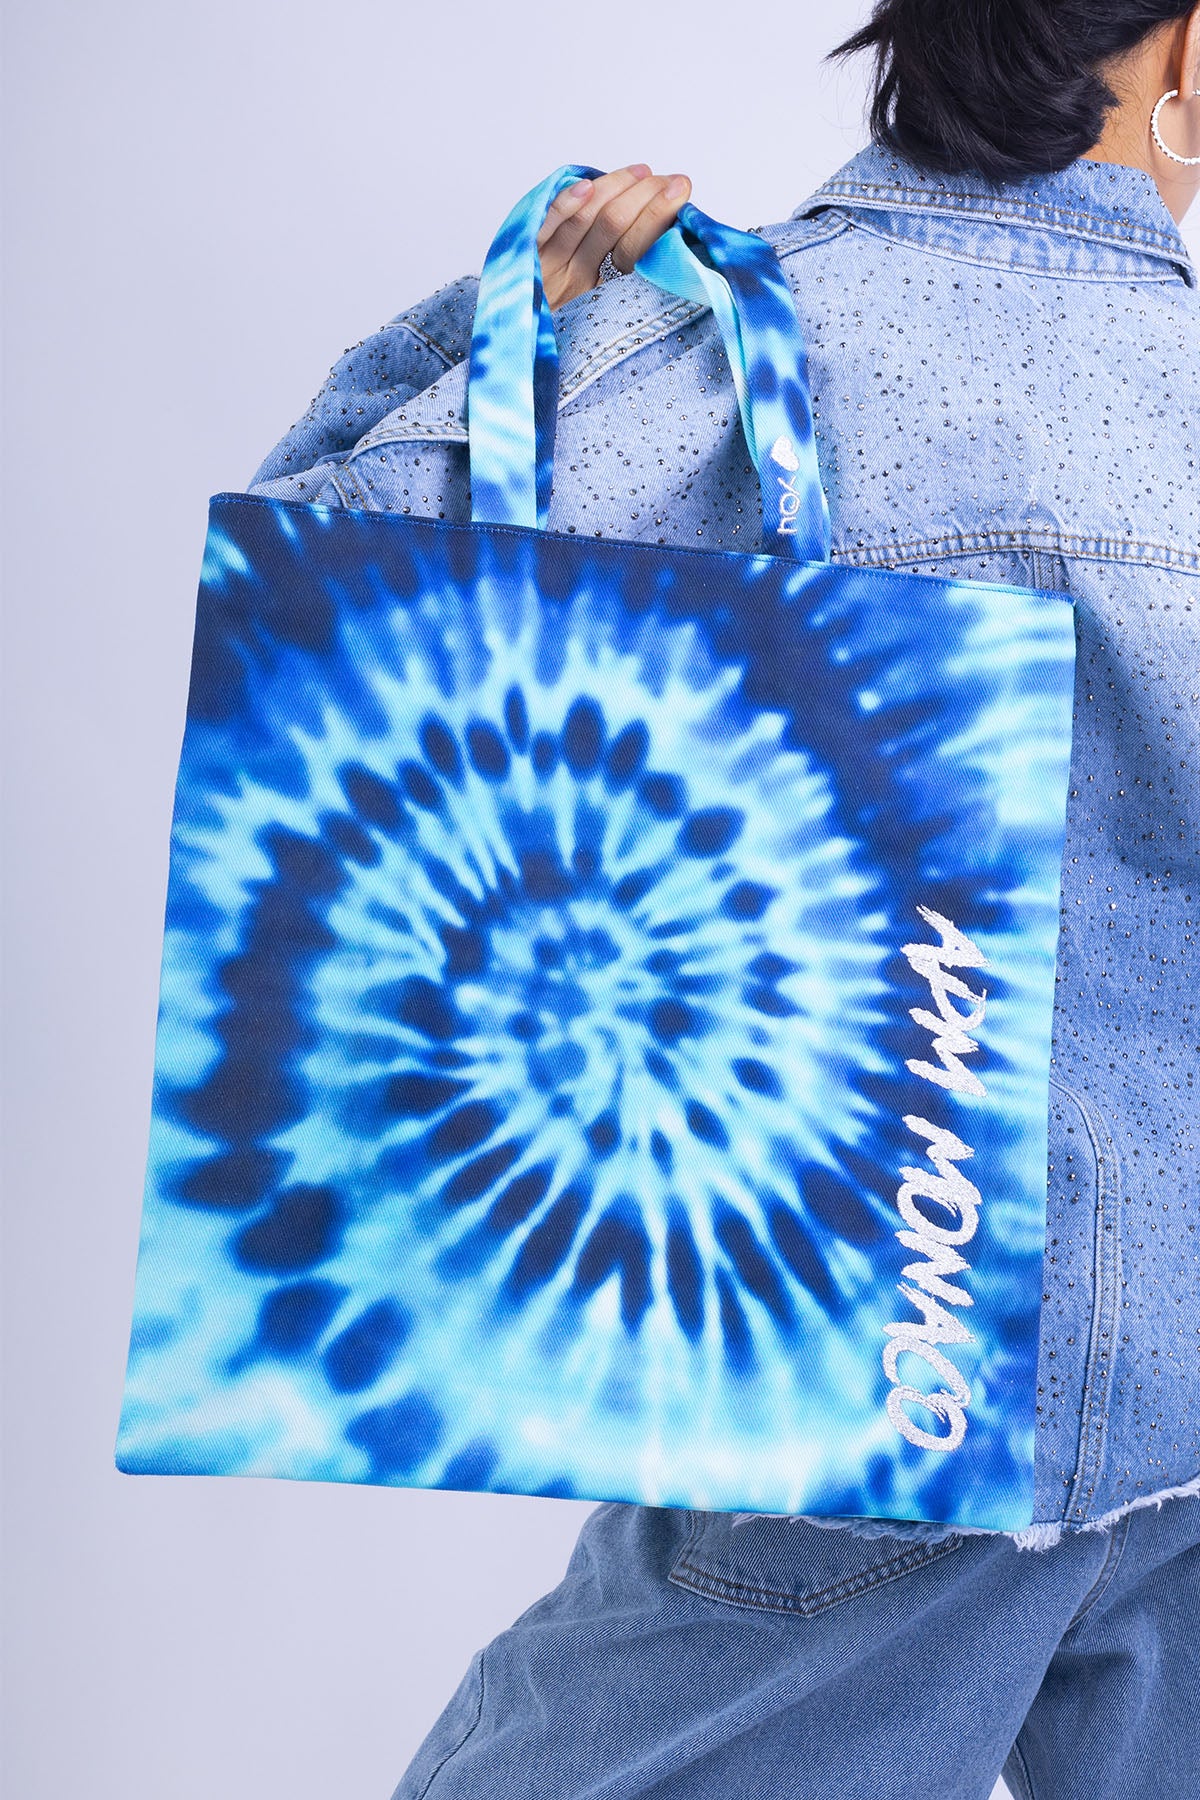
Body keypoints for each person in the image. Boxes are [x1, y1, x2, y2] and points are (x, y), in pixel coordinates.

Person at [247, 3, 1200, 1794]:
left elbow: (319, 616)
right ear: (1185, 58)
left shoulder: (723, 336)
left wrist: (519, 331)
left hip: (866, 1376)